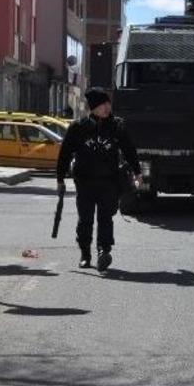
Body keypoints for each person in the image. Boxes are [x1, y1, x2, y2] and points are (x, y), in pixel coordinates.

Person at [56, 88, 142, 272]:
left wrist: (137, 172)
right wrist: (60, 178)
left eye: (108, 103)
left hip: (109, 181)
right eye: (103, 104)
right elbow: (65, 153)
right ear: (93, 106)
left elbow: (129, 149)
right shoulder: (78, 127)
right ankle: (85, 254)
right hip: (85, 182)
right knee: (85, 219)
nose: (107, 107)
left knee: (105, 218)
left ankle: (104, 251)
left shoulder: (116, 126)